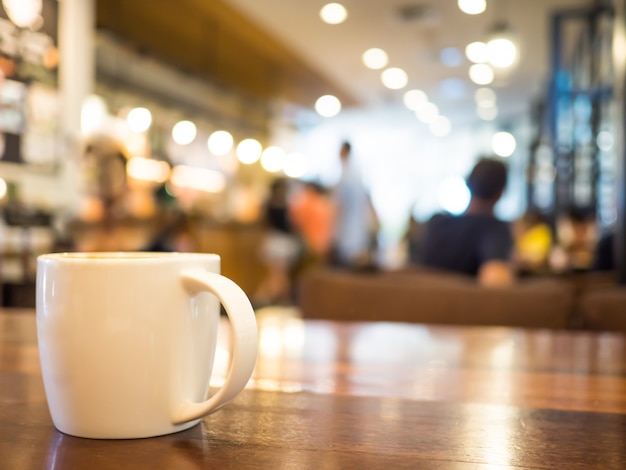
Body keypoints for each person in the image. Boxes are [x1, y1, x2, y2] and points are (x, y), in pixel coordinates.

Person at [419, 157, 514, 286]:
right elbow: (496, 280)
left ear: (468, 184)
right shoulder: (494, 229)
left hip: (422, 302)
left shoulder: (437, 223)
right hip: (463, 305)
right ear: (501, 193)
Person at [330, 141, 378, 269]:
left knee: (350, 263)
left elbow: (341, 205)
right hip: (353, 228)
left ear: (345, 152)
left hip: (350, 228)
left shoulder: (349, 174)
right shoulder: (352, 173)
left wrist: (335, 230)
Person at [254, 177, 302, 306]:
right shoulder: (281, 205)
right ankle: (263, 300)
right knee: (279, 276)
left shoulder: (268, 204)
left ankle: (269, 300)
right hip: (280, 243)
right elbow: (289, 225)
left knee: (279, 276)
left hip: (274, 241)